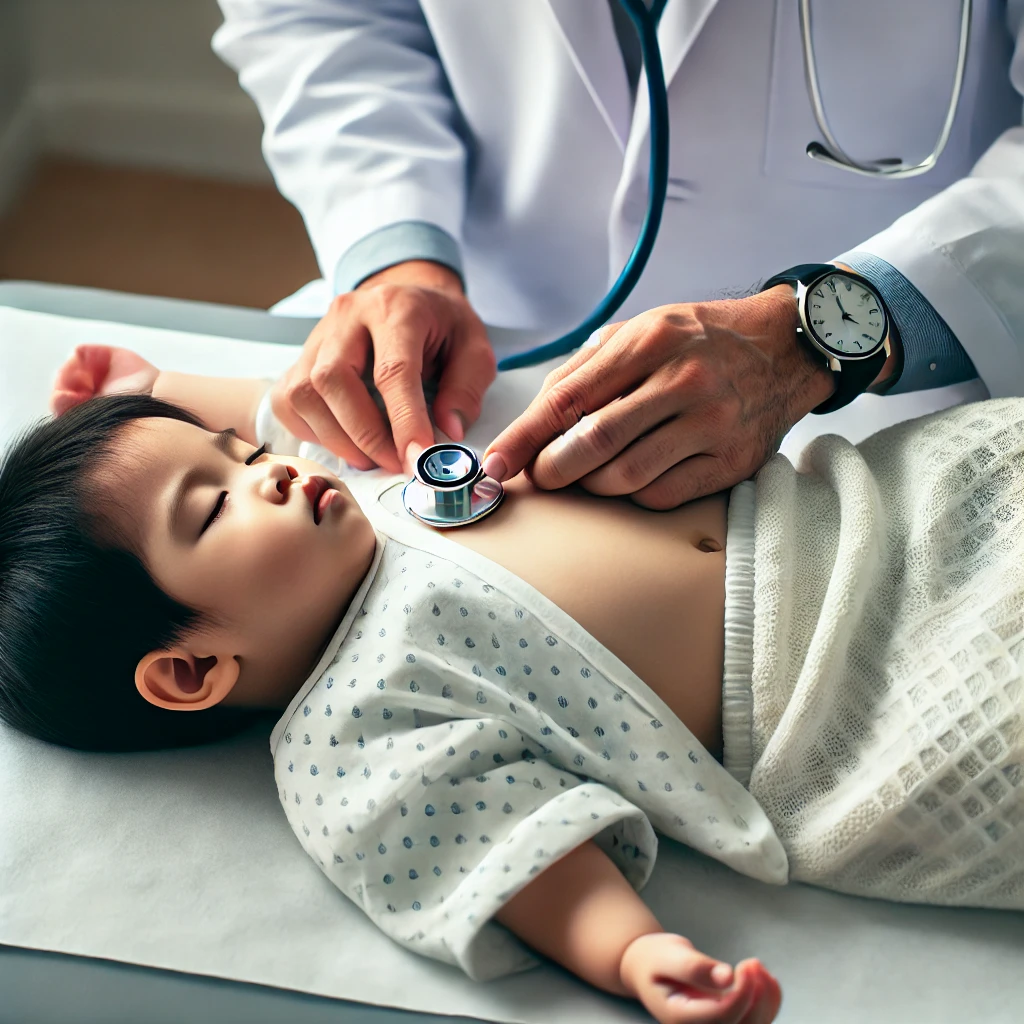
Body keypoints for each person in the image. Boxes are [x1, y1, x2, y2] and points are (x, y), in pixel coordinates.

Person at [4, 343, 1024, 1024]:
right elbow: (511, 851)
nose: (265, 470)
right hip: (839, 686)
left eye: (238, 454)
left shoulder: (362, 484)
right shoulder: (352, 731)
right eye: (213, 505)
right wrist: (633, 956)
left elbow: (279, 411)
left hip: (861, 503)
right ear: (191, 669)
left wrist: (151, 387)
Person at [210, 1, 1024, 509]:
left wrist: (818, 339)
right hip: (489, 317)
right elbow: (321, 17)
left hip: (897, 379)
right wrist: (396, 249)